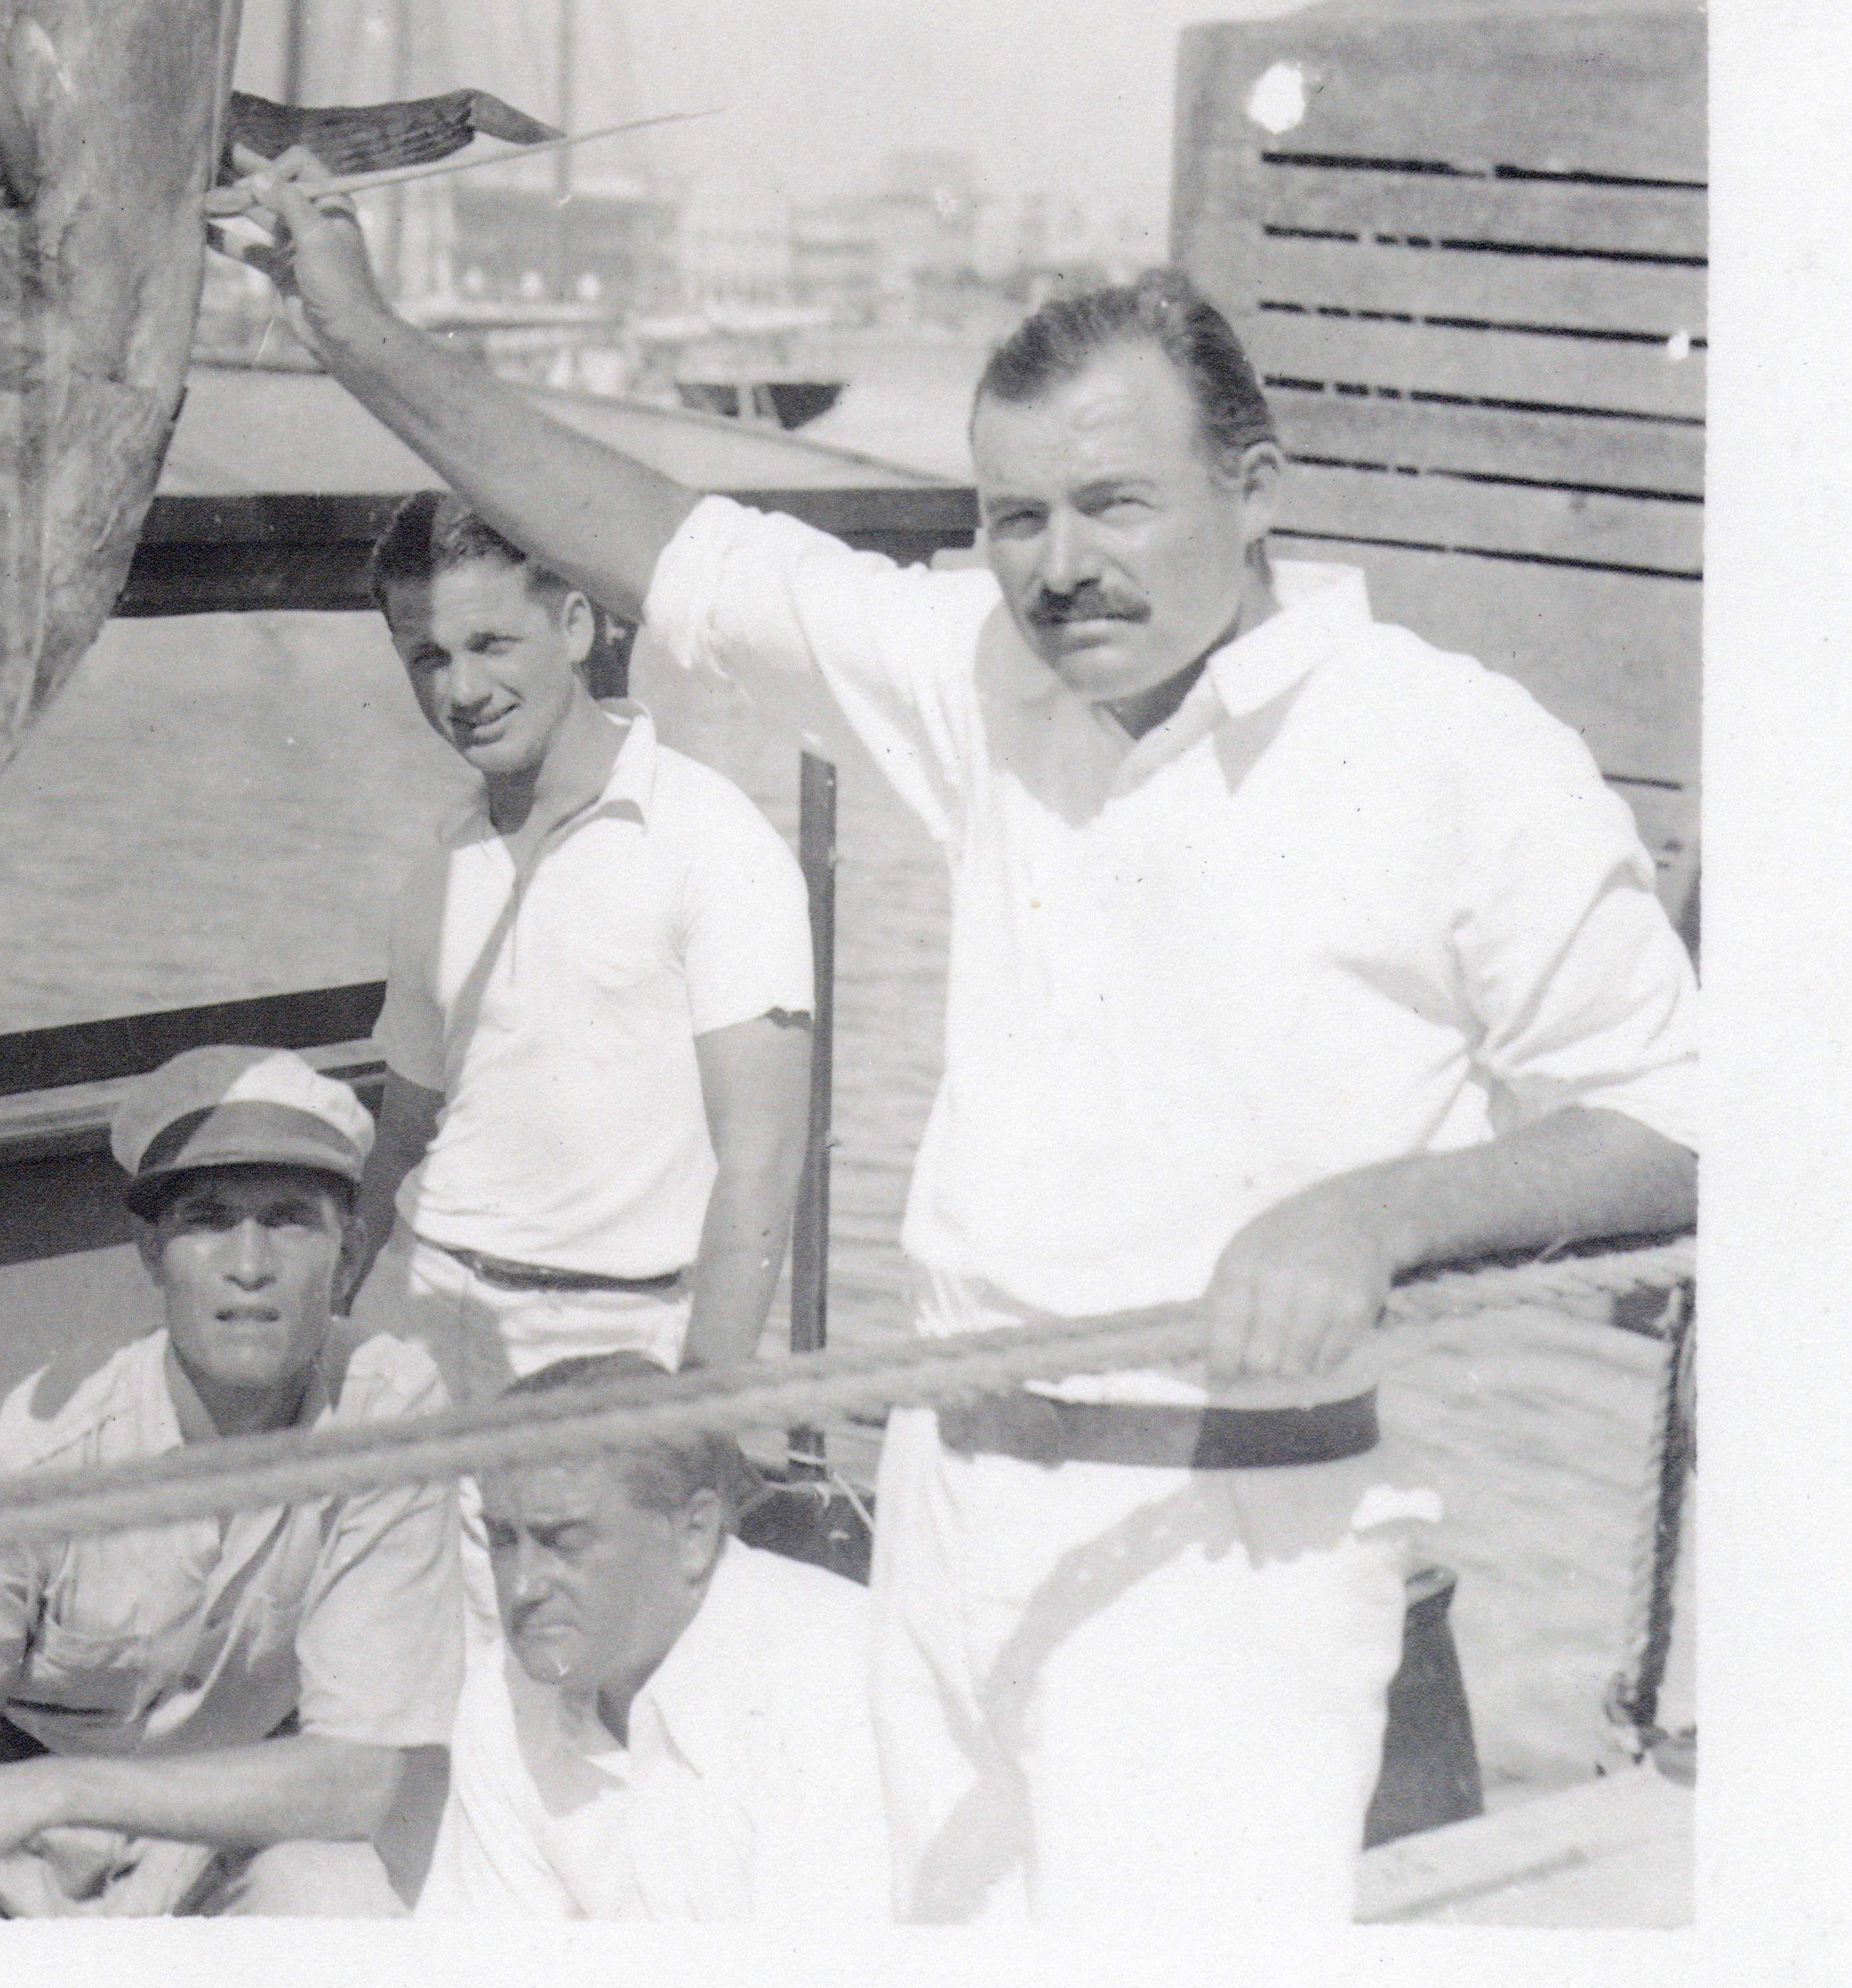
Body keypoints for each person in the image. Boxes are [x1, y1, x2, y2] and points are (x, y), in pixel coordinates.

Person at [234, 174, 1700, 1923]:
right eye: (1014, 516)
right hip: (945, 1516)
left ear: (1253, 492)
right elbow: (672, 547)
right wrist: (353, 330)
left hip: (1216, 1562)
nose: (1058, 563)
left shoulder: (1450, 750)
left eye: (1109, 501)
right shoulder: (992, 681)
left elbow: (1684, 1117)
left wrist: (1371, 1215)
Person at [0, 1046, 461, 1917]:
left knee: (342, 1902)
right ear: (152, 1252)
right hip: (23, 1873)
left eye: (288, 1220)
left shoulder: (387, 1410)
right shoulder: (33, 1454)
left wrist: (65, 1788)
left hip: (235, 1839)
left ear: (347, 1248)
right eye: (207, 1220)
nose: (249, 1264)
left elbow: (363, 1777)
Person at [346, 490, 815, 1390]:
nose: (462, 691)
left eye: (489, 644)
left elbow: (760, 1160)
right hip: (417, 1310)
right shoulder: (440, 861)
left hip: (617, 1332)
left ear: (571, 625)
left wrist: (700, 1410)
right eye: (427, 658)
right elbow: (404, 1132)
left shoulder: (709, 837)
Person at [438, 1355, 886, 1922]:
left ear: (695, 1533)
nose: (522, 1587)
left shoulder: (830, 1682)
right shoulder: (500, 1689)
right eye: (502, 1540)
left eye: (565, 1541)